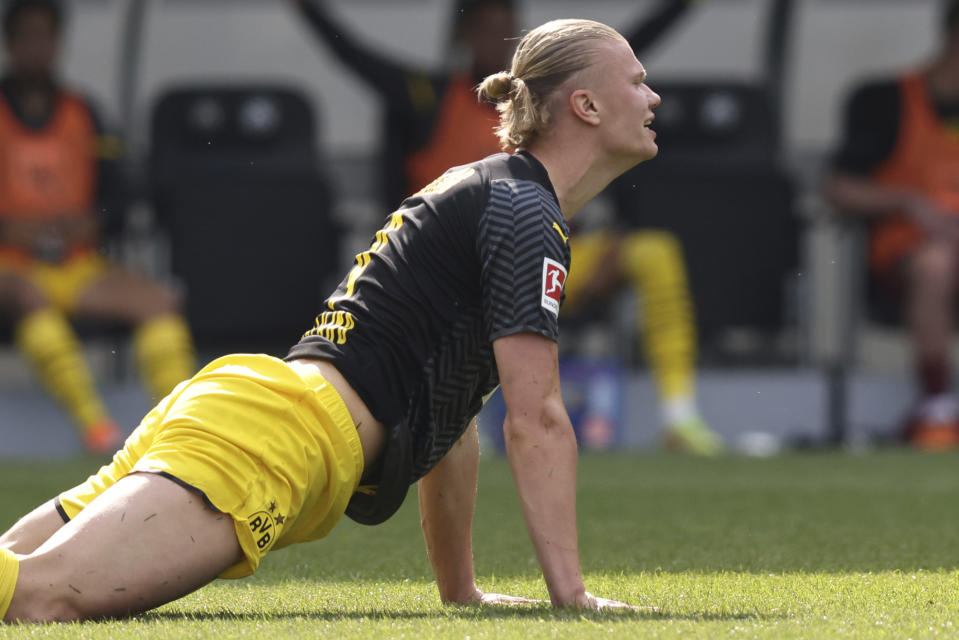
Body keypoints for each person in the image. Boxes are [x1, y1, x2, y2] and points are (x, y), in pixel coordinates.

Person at [0, 17, 662, 621]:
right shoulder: (523, 213)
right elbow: (537, 416)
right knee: (40, 599)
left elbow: (452, 416)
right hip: (269, 440)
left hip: (251, 413)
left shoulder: (495, 193)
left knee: (16, 584)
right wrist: (570, 596)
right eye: (636, 80)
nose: (652, 96)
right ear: (586, 105)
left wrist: (460, 591)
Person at [294, 0, 721, 454]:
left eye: (508, 29)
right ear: (462, 37)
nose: (498, 40)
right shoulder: (428, 96)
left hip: (549, 256)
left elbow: (625, 51)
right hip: (459, 275)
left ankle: (680, 416)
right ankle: (461, 429)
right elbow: (353, 55)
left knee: (655, 252)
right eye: (486, 28)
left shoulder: (552, 93)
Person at [0, 0, 196, 454]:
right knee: (28, 295)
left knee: (158, 301)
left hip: (77, 262)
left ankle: (181, 425)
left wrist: (91, 221)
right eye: (27, 37)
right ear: (10, 44)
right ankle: (96, 429)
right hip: (11, 267)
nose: (37, 48)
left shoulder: (83, 110)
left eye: (45, 37)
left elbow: (121, 195)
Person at [825, 0, 959, 450]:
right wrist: (909, 202)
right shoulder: (886, 100)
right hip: (905, 259)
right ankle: (937, 406)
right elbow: (838, 188)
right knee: (937, 264)